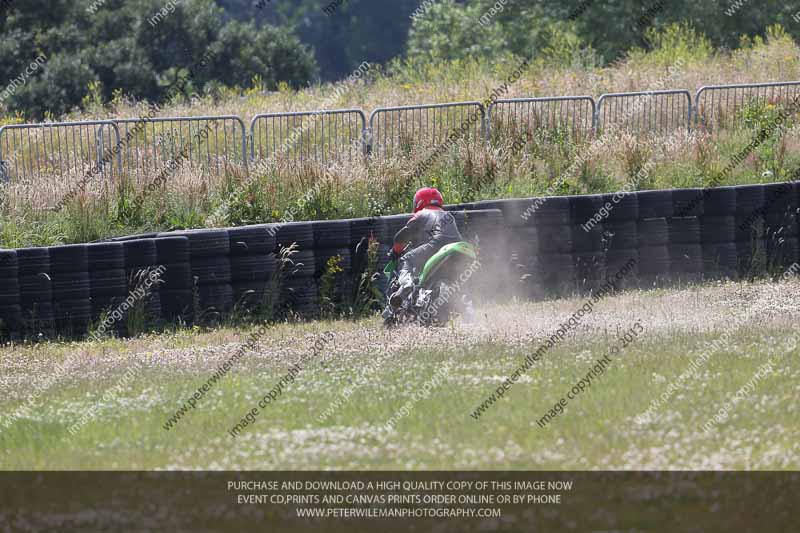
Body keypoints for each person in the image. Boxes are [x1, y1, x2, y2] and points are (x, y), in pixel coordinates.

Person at [387, 187, 463, 309]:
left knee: (406, 259)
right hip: (457, 248)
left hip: (436, 246)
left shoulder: (421, 213)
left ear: (420, 202)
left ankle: (406, 286)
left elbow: (403, 235)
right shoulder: (449, 215)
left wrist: (395, 252)